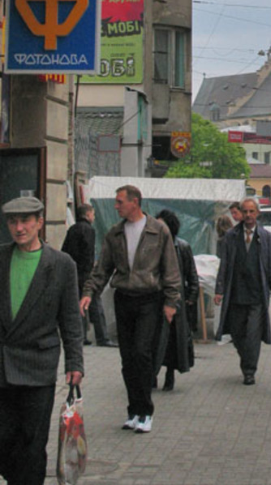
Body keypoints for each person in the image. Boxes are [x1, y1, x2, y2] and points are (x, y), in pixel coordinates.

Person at [80, 184, 180, 434]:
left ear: (135, 202)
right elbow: (102, 269)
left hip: (149, 299)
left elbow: (170, 269)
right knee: (127, 359)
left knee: (142, 353)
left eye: (119, 202)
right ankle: (133, 410)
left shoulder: (158, 231)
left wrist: (171, 302)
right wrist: (88, 293)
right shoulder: (115, 234)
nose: (116, 206)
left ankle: (146, 411)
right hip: (123, 298)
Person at [0, 196, 83, 485]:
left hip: (38, 366)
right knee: (4, 437)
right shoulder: (1, 257)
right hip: (2, 365)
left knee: (33, 442)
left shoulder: (61, 265)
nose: (19, 227)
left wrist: (75, 362)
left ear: (39, 223)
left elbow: (71, 319)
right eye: (13, 222)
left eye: (25, 221)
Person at [214, 196, 271, 385]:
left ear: (257, 213)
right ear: (240, 214)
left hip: (257, 296)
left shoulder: (266, 238)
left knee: (252, 334)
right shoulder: (231, 237)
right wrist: (219, 290)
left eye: (252, 211)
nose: (249, 215)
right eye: (245, 211)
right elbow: (224, 265)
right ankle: (246, 359)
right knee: (236, 333)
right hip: (236, 295)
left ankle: (249, 371)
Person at [154, 209, 199, 391]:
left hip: (176, 302)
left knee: (173, 342)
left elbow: (191, 275)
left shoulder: (182, 247)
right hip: (155, 301)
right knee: (154, 340)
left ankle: (170, 374)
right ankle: (152, 374)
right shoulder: (151, 247)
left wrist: (191, 298)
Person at [61, 203, 114, 347]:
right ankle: (102, 337)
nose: (94, 217)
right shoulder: (88, 230)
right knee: (95, 305)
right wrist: (91, 272)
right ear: (88, 214)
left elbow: (65, 251)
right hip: (84, 274)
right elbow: (88, 254)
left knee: (79, 305)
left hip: (73, 273)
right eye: (93, 214)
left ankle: (81, 335)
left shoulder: (72, 229)